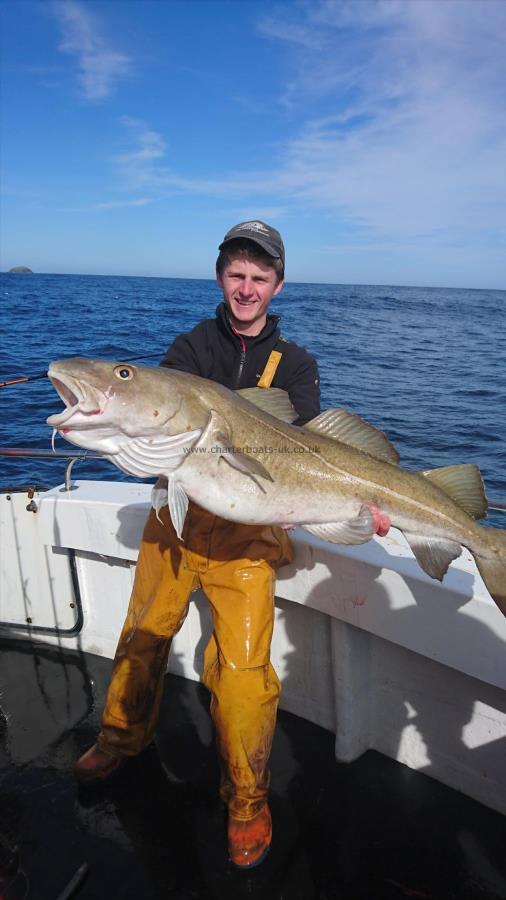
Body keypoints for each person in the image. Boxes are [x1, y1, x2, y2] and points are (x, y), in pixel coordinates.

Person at [75, 221, 390, 868]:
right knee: (143, 634)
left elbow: (303, 450)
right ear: (222, 277)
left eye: (260, 277)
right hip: (177, 517)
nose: (246, 289)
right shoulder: (190, 347)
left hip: (248, 531)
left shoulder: (296, 365)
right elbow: (157, 432)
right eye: (236, 275)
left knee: (244, 672)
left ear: (277, 283)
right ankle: (119, 737)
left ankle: (248, 800)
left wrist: (352, 507)